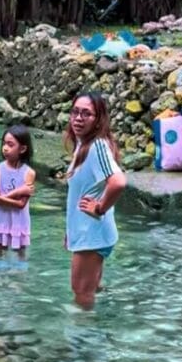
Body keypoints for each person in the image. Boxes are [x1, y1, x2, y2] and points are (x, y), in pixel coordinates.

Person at [65, 92, 127, 309]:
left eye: (86, 114)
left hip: (92, 235)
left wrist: (99, 208)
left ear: (98, 119)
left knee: (82, 293)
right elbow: (82, 191)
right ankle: (107, 320)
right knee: (92, 288)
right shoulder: (83, 145)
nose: (78, 118)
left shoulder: (96, 146)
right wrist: (70, 231)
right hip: (88, 232)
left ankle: (83, 331)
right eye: (75, 112)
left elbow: (118, 182)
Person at [0, 125, 36, 260]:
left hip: (19, 221)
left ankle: (19, 274)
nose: (5, 148)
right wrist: (19, 191)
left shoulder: (29, 173)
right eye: (4, 144)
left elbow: (21, 204)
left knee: (20, 256)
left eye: (10, 145)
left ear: (22, 149)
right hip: (0, 219)